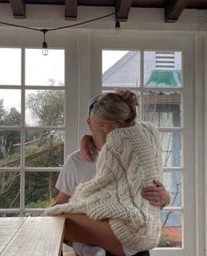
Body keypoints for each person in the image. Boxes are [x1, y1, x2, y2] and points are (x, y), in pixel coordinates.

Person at [45, 89, 165, 256]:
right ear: (90, 122)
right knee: (54, 218)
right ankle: (86, 249)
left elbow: (151, 198)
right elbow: (60, 204)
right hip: (101, 241)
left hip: (130, 243)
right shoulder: (76, 161)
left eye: (115, 126)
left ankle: (83, 248)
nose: (108, 133)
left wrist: (164, 198)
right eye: (101, 125)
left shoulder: (137, 150)